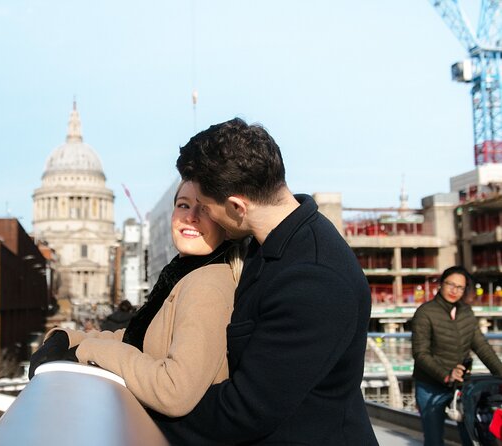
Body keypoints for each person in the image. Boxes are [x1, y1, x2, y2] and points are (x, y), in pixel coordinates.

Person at [153, 118, 378, 445]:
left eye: (207, 208)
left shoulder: (313, 281)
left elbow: (244, 411)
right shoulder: (270, 242)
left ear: (236, 206)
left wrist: (143, 401)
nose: (205, 218)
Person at [29, 180, 244, 417]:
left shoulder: (206, 284)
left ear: (224, 219)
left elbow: (174, 390)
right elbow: (141, 339)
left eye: (204, 207)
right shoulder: (182, 275)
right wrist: (66, 338)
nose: (191, 216)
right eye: (183, 205)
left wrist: (87, 349)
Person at [412, 266, 502, 446]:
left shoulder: (466, 313)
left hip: (460, 386)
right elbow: (420, 353)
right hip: (430, 386)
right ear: (441, 284)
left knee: (471, 436)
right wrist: (446, 374)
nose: (454, 290)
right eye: (450, 284)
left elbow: (482, 347)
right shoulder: (425, 312)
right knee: (434, 440)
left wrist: (500, 373)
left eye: (460, 287)